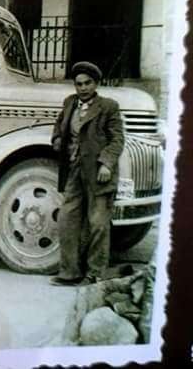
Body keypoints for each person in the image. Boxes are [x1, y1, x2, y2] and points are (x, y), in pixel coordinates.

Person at [50, 61, 124, 286]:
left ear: (96, 84)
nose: (83, 88)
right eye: (79, 84)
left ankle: (95, 273)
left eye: (88, 83)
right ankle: (69, 272)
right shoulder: (69, 103)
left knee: (98, 223)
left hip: (98, 173)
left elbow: (117, 139)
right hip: (75, 171)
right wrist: (57, 140)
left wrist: (106, 164)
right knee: (67, 219)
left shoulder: (108, 106)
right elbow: (58, 125)